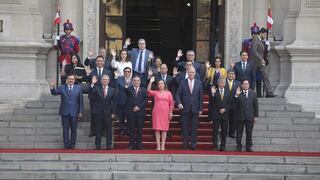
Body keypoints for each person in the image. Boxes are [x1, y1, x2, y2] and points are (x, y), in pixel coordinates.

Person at [50, 74, 83, 149]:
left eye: (72, 79)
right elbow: (54, 93)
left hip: (74, 112)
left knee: (74, 129)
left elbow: (80, 101)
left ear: (74, 80)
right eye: (69, 79)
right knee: (65, 129)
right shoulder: (62, 87)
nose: (71, 80)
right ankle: (66, 144)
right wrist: (52, 87)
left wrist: (80, 111)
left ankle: (72, 144)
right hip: (64, 111)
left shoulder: (78, 88)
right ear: (67, 80)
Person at [176, 66, 203, 150]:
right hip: (185, 109)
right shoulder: (182, 82)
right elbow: (177, 95)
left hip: (195, 109)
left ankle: (193, 144)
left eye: (192, 72)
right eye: (190, 72)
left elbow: (200, 97)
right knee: (185, 127)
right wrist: (179, 103)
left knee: (194, 128)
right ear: (187, 72)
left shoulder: (199, 83)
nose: (191, 74)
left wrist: (200, 109)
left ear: (195, 73)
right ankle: (185, 144)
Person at [88, 56, 114, 137]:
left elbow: (111, 84)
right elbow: (89, 85)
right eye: (98, 61)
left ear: (104, 62)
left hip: (104, 97)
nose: (99, 62)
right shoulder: (92, 72)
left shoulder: (108, 72)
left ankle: (103, 131)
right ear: (96, 62)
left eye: (101, 61)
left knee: (104, 115)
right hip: (94, 97)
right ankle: (93, 131)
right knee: (93, 114)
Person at [90, 75, 116, 150]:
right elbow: (91, 94)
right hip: (98, 112)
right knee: (98, 129)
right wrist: (92, 84)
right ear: (101, 81)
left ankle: (109, 145)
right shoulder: (97, 88)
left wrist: (113, 113)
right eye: (103, 79)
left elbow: (115, 102)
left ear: (109, 81)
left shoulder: (112, 90)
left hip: (108, 113)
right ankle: (97, 145)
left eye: (106, 79)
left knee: (109, 130)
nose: (105, 81)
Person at [147, 76, 174, 150]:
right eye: (159, 84)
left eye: (162, 83)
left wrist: (171, 112)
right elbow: (148, 91)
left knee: (164, 129)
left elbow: (171, 104)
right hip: (157, 112)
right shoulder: (155, 93)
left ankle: (163, 145)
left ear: (164, 85)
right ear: (157, 85)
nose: (160, 85)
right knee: (157, 129)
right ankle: (158, 145)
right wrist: (151, 82)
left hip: (166, 112)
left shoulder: (169, 93)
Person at [250, 25, 276, 98]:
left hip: (260, 63)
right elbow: (254, 51)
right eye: (264, 34)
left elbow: (262, 52)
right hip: (254, 62)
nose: (265, 36)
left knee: (265, 77)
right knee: (253, 78)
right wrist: (261, 59)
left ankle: (269, 93)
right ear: (260, 33)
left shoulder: (261, 41)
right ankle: (250, 93)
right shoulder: (255, 39)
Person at [235, 79, 259, 152]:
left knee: (249, 132)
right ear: (242, 85)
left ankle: (248, 146)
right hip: (240, 116)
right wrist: (236, 95)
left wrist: (255, 116)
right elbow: (234, 104)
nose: (246, 85)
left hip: (250, 116)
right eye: (244, 84)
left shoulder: (253, 94)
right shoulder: (238, 93)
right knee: (239, 132)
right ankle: (239, 146)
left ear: (249, 85)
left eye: (247, 84)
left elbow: (256, 106)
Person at [125, 76, 147, 150]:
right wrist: (126, 85)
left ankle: (139, 144)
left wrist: (138, 107)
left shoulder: (144, 90)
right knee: (131, 129)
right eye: (134, 80)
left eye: (138, 80)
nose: (136, 82)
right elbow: (126, 90)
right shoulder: (129, 89)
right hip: (131, 112)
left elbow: (145, 100)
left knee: (139, 129)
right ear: (132, 81)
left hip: (140, 112)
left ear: (140, 82)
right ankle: (131, 144)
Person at [209, 78, 231, 151]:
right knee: (215, 131)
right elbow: (211, 103)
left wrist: (225, 109)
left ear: (225, 84)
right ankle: (215, 146)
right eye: (220, 83)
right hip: (216, 114)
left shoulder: (228, 91)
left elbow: (229, 103)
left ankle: (223, 146)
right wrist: (212, 94)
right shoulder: (214, 91)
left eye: (223, 83)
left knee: (224, 131)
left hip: (225, 115)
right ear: (218, 84)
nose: (222, 84)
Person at [56, 19, 80, 84]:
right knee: (63, 74)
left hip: (71, 58)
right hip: (63, 57)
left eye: (69, 29)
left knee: (71, 74)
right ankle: (63, 87)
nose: (67, 31)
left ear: (71, 30)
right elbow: (56, 48)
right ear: (64, 30)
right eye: (66, 29)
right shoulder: (61, 38)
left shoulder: (74, 39)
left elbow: (77, 50)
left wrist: (73, 57)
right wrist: (56, 41)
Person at [115, 67, 132, 136]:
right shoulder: (119, 79)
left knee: (129, 118)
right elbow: (116, 90)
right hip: (121, 101)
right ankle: (121, 130)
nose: (127, 73)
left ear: (130, 73)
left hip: (130, 103)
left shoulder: (133, 80)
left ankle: (128, 130)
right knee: (121, 118)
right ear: (123, 72)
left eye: (128, 71)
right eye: (126, 71)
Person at [225, 70, 241, 138]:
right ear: (227, 74)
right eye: (229, 74)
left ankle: (232, 132)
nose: (231, 75)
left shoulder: (238, 83)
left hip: (234, 104)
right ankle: (224, 132)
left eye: (232, 74)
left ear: (234, 75)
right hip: (225, 104)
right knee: (225, 119)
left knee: (233, 119)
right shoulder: (223, 82)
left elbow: (240, 94)